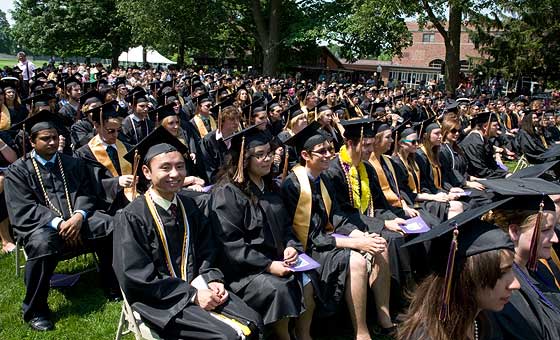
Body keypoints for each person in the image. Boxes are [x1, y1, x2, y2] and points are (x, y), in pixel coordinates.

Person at [113, 128, 262, 340]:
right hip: (161, 301)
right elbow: (135, 277)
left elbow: (207, 250)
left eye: (180, 166)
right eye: (165, 168)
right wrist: (192, 295)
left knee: (253, 322)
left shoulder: (190, 206)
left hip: (201, 286)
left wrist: (212, 279)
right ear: (146, 172)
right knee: (228, 336)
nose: (175, 174)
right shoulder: (131, 217)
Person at [4, 111, 115, 331]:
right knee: (42, 243)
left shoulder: (72, 163)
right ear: (32, 141)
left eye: (55, 137)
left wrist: (78, 216)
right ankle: (36, 309)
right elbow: (24, 207)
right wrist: (58, 223)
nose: (53, 142)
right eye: (46, 138)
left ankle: (114, 285)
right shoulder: (18, 171)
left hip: (77, 219)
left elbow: (86, 192)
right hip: (42, 226)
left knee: (109, 224)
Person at [281, 122, 390, 340]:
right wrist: (354, 244)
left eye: (331, 149)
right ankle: (361, 331)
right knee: (356, 260)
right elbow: (310, 237)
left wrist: (360, 236)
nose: (330, 155)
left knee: (379, 244)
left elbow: (337, 217)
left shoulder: (323, 179)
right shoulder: (293, 185)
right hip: (306, 249)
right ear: (305, 154)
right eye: (322, 151)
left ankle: (383, 316)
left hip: (328, 240)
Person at [210, 124, 314, 340]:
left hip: (278, 262)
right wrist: (268, 265)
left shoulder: (271, 188)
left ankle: (303, 334)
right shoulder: (228, 193)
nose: (267, 159)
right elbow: (231, 244)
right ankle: (282, 336)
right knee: (279, 287)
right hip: (244, 272)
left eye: (269, 153)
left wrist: (291, 248)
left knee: (308, 278)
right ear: (243, 159)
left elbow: (287, 228)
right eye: (260, 155)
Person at [397, 200, 521, 340]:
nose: (516, 284)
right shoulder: (426, 337)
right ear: (468, 277)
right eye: (502, 273)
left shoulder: (481, 320)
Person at [480, 183, 560, 340]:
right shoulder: (504, 292)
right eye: (545, 230)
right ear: (515, 231)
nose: (555, 238)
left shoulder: (538, 268)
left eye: (553, 229)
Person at [74, 101, 133, 214]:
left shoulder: (127, 148)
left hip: (131, 200)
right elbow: (86, 186)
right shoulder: (84, 154)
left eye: (118, 130)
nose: (115, 135)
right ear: (96, 125)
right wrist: (116, 182)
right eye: (110, 131)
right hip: (104, 208)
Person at [149, 102, 208, 187]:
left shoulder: (180, 140)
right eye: (171, 123)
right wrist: (191, 180)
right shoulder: (156, 146)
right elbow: (160, 181)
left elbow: (191, 169)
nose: (176, 126)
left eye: (177, 122)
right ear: (162, 125)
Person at [460, 111, 509, 179]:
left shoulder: (484, 140)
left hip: (485, 173)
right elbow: (479, 171)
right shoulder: (474, 142)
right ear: (485, 126)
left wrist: (505, 174)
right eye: (495, 125)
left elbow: (492, 164)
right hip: (473, 177)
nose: (498, 127)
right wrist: (503, 175)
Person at [201, 105, 240, 183]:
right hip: (217, 185)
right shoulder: (209, 140)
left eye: (238, 119)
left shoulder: (238, 139)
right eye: (232, 119)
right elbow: (208, 170)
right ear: (221, 121)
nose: (236, 122)